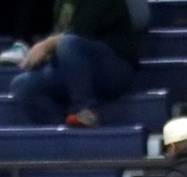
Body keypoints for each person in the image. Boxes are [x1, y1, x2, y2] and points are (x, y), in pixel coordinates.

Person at [9, 0, 137, 126]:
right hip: (74, 67)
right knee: (22, 85)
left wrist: (45, 46)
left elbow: (80, 32)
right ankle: (62, 134)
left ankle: (85, 110)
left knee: (68, 43)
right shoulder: (61, 3)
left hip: (114, 67)